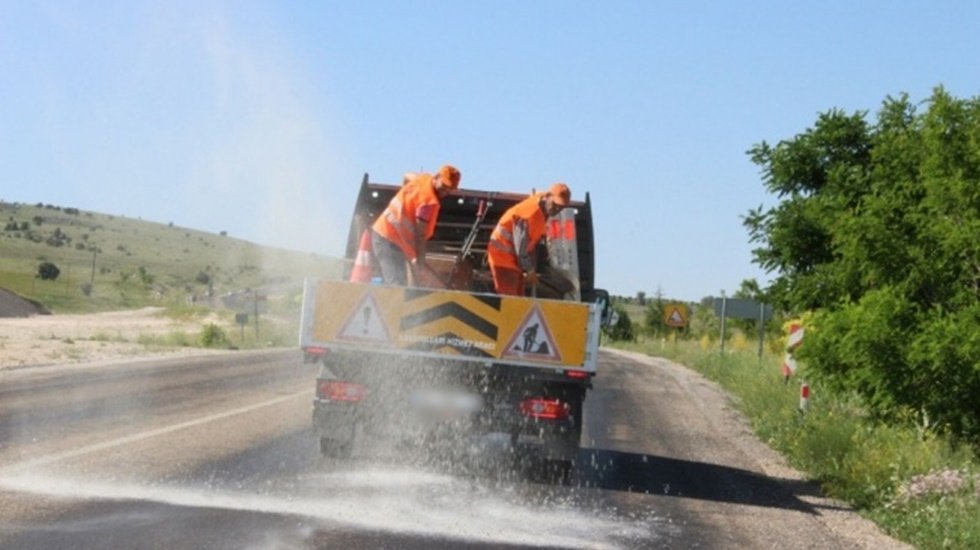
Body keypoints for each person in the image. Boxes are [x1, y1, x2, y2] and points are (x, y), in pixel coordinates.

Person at [371, 164, 461, 286]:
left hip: (389, 237)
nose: (446, 191)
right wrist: (420, 263)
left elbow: (406, 175)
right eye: (444, 186)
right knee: (396, 287)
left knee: (399, 284)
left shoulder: (422, 178)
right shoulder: (428, 203)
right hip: (387, 239)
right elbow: (420, 236)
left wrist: (404, 194)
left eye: (450, 189)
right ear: (437, 176)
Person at [487, 183, 571, 296]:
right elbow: (521, 250)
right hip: (502, 258)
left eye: (561, 207)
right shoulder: (530, 215)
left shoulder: (541, 203)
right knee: (510, 300)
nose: (557, 209)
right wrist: (530, 271)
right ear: (547, 196)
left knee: (518, 299)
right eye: (555, 204)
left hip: (512, 261)